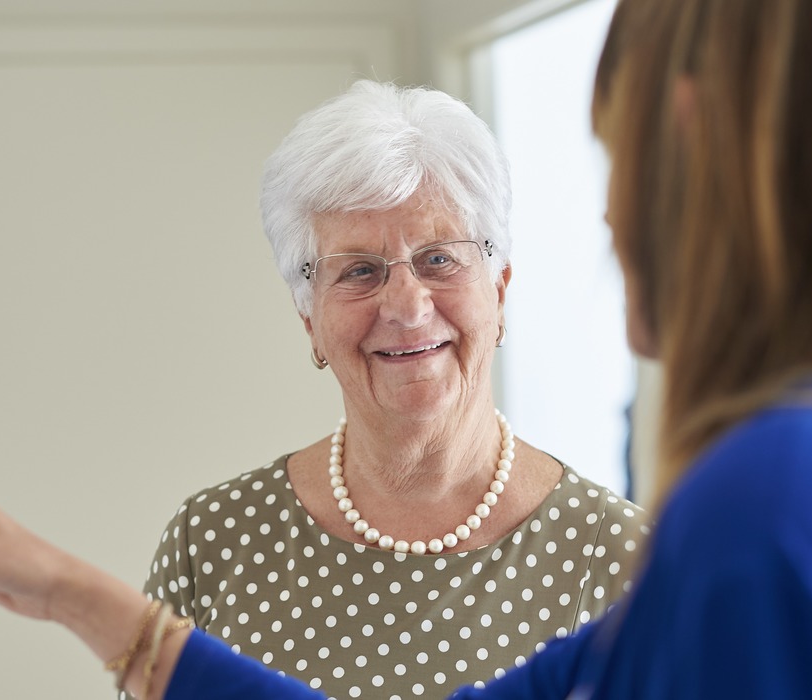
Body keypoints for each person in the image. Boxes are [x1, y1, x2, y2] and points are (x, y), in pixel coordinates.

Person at [0, 0, 812, 697]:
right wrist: (67, 589)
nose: (606, 217)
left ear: (692, 141)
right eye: (359, 270)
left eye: (611, 147)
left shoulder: (767, 510)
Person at [132, 79, 648, 699]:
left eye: (439, 259)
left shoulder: (626, 562)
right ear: (310, 321)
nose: (406, 306)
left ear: (500, 290)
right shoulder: (210, 546)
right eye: (359, 271)